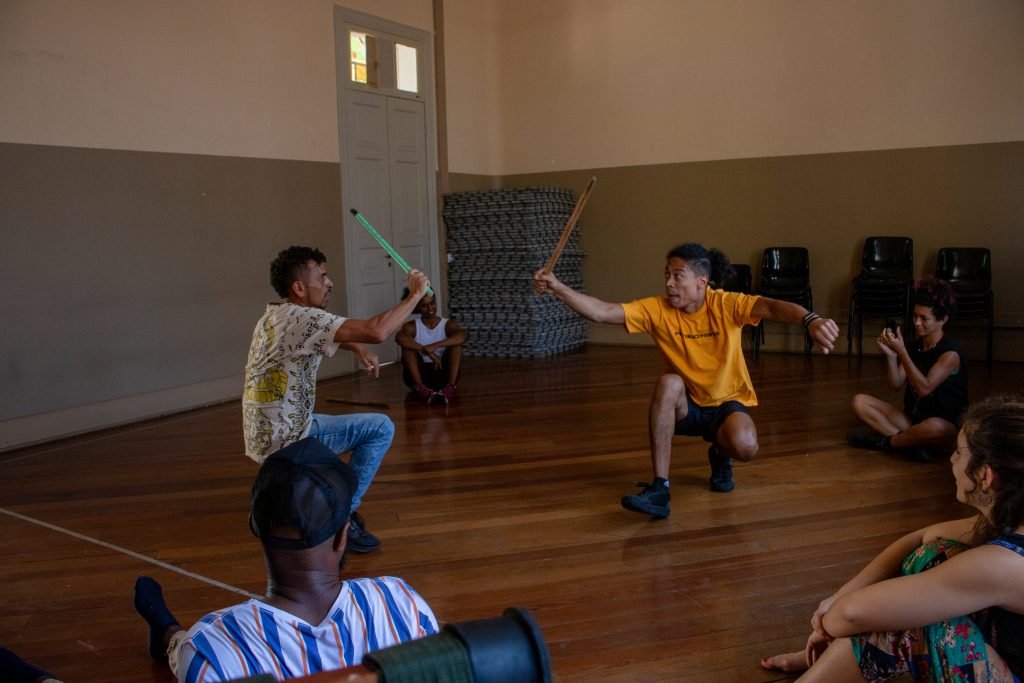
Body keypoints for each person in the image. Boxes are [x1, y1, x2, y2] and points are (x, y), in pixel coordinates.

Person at [533, 243, 839, 518]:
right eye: (667, 274)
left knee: (745, 447)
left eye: (678, 276)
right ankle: (660, 488)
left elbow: (772, 306)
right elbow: (602, 312)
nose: (669, 282)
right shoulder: (656, 309)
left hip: (724, 404)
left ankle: (720, 453)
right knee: (669, 383)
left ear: (701, 282)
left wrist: (811, 320)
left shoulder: (726, 304)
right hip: (686, 405)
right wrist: (558, 287)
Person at [761, 394, 1024, 682]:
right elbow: (921, 539)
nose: (951, 459)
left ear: (986, 476)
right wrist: (838, 597)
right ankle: (824, 663)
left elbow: (849, 615)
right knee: (936, 554)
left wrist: (828, 620)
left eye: (960, 452)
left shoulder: (1002, 565)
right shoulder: (1010, 520)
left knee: (915, 626)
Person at [134, 437, 439, 683]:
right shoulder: (403, 603)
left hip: (203, 653)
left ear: (253, 525)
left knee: (187, 650)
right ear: (343, 535)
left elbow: (204, 658)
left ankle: (169, 635)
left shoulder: (212, 650)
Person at [243, 246, 430, 553]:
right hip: (291, 438)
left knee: (350, 439)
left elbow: (321, 334)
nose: (329, 283)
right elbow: (377, 331)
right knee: (380, 428)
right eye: (323, 276)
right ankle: (342, 516)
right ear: (299, 287)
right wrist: (414, 295)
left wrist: (356, 347)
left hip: (267, 436)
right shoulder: (303, 317)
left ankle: (302, 500)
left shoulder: (275, 315)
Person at [847, 278, 967, 462]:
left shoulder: (950, 353)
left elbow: (924, 388)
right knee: (859, 401)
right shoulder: (915, 347)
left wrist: (902, 352)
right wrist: (892, 356)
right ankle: (910, 444)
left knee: (934, 426)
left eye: (924, 318)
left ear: (942, 320)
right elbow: (895, 385)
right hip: (913, 421)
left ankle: (887, 442)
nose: (917, 323)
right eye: (915, 316)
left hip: (942, 427)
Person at [395, 288, 468, 403]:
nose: (430, 308)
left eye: (432, 303)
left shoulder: (447, 324)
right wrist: (425, 350)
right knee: (407, 348)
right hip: (419, 375)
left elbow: (462, 336)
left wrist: (435, 346)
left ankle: (450, 388)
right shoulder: (412, 326)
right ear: (418, 307)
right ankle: (422, 389)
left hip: (443, 374)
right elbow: (399, 338)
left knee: (456, 345)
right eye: (424, 306)